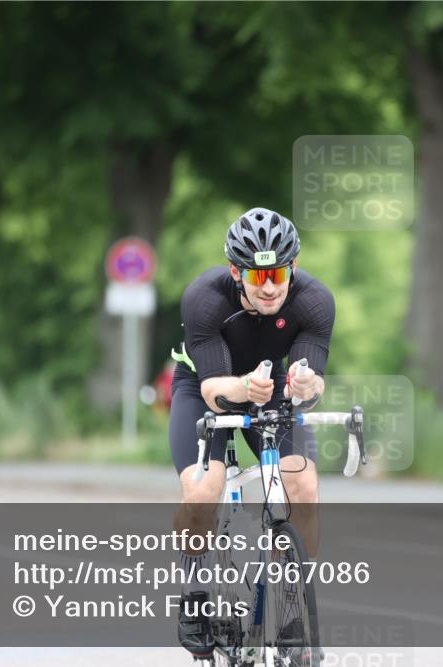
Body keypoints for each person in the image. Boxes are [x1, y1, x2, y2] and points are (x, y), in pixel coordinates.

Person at [168, 207, 332, 659]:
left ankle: (295, 610)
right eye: (256, 275)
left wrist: (306, 384)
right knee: (204, 489)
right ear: (235, 271)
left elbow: (312, 384)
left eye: (277, 273)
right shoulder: (204, 298)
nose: (268, 286)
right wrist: (242, 388)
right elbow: (213, 389)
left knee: (303, 484)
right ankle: (196, 592)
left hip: (272, 386)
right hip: (204, 388)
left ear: (293, 267)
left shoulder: (314, 301)